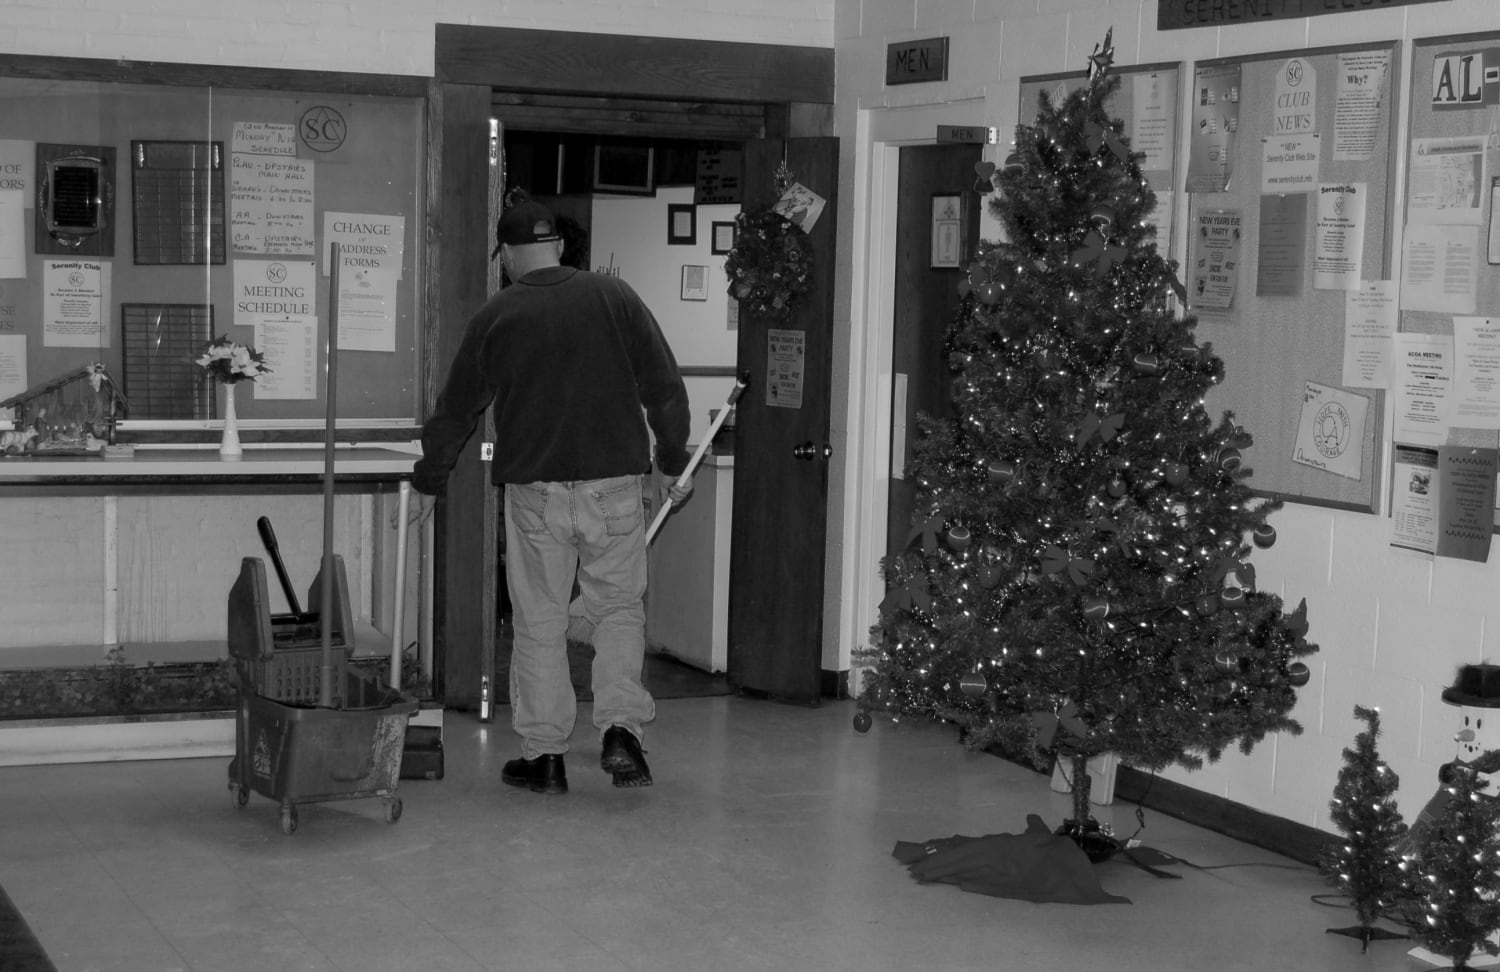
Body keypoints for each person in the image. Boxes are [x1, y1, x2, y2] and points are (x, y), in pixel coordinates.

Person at [413, 189, 693, 795]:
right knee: (619, 609)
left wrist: (427, 483)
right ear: (559, 245)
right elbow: (665, 386)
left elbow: (455, 410)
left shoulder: (496, 317)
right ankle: (622, 730)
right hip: (615, 488)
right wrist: (671, 462)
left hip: (536, 493)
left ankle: (545, 758)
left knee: (539, 621)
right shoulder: (614, 296)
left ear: (509, 255)